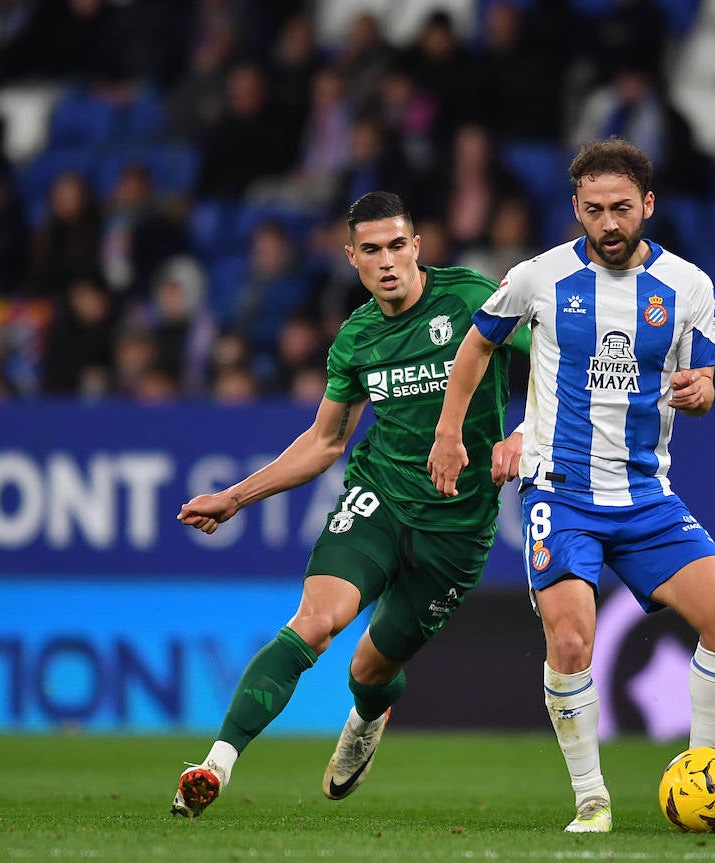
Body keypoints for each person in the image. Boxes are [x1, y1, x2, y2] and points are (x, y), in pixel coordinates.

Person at [427, 138, 715, 834]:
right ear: (576, 210)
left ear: (648, 205)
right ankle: (592, 799)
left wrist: (701, 390)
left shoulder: (690, 288)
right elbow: (478, 343)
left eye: (622, 208)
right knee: (570, 641)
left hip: (647, 496)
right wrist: (450, 431)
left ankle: (707, 783)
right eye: (594, 210)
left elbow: (704, 380)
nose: (610, 223)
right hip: (559, 492)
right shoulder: (538, 277)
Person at [170, 191, 526, 818]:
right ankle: (215, 764)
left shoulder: (473, 299)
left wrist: (526, 433)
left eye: (397, 246)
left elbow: (554, 360)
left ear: (417, 246)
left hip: (457, 526)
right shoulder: (357, 337)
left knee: (368, 669)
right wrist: (236, 496)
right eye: (372, 250)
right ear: (351, 258)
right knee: (314, 621)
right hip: (379, 498)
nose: (388, 261)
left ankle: (368, 713)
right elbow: (325, 441)